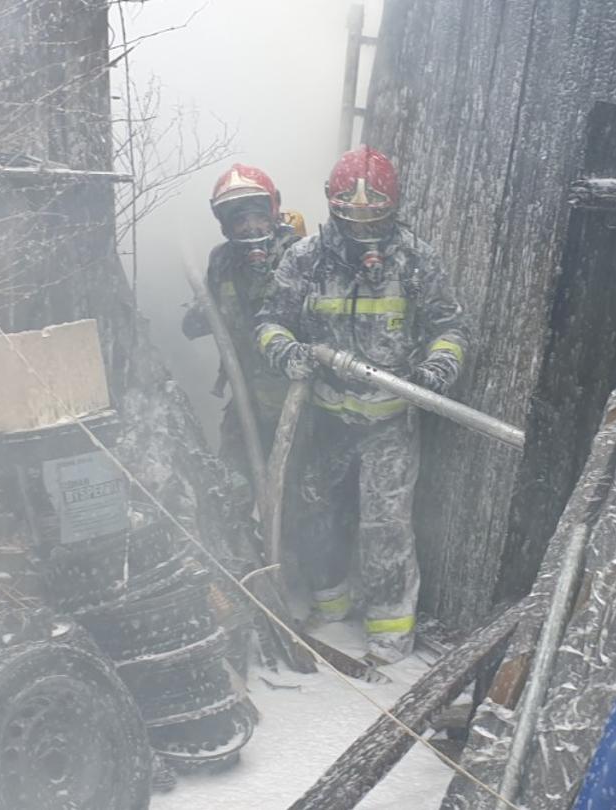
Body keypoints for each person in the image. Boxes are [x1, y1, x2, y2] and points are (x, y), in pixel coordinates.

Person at [254, 145, 467, 664]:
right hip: (325, 415)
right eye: (353, 215)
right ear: (333, 205)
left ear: (393, 208)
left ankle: (390, 631)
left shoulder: (416, 259)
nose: (364, 228)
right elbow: (270, 321)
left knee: (385, 524)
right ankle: (330, 605)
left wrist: (437, 370)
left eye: (376, 216)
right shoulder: (306, 259)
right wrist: (288, 352)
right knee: (316, 509)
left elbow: (450, 327)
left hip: (390, 420)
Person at [183, 164, 305, 469]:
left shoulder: (299, 256)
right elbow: (199, 321)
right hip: (246, 398)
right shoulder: (222, 261)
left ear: (273, 211)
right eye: (239, 220)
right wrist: (204, 312)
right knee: (231, 480)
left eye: (258, 217)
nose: (250, 228)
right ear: (225, 225)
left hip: (302, 403)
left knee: (297, 486)